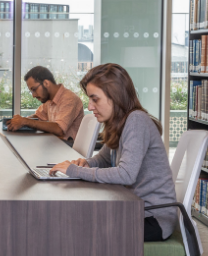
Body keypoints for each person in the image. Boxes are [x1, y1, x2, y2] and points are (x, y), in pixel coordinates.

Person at [49, 64, 176, 241]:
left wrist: (75, 171)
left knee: (77, 227)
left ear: (115, 97)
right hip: (133, 209)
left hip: (152, 218)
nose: (90, 106)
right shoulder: (119, 122)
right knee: (73, 220)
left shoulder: (136, 121)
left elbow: (126, 175)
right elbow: (103, 159)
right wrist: (86, 163)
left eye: (95, 99)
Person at [6, 66, 84, 146]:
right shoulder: (49, 99)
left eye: (34, 89)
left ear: (46, 83)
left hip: (68, 147)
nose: (33, 95)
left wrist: (25, 121)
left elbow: (59, 129)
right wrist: (19, 121)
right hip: (55, 143)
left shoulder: (69, 98)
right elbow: (38, 116)